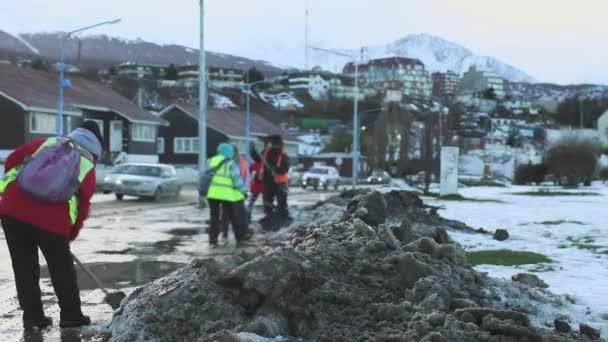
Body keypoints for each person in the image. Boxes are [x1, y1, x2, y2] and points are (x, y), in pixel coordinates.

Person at [0, 121, 103, 329]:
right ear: (97, 145)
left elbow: (11, 159)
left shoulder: (48, 143)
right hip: (52, 223)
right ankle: (71, 317)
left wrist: (22, 181)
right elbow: (82, 208)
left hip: (12, 211)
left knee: (24, 267)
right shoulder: (86, 165)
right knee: (61, 268)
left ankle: (33, 318)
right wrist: (70, 234)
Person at [207, 143, 250, 247]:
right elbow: (237, 181)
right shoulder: (231, 164)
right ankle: (240, 239)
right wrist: (244, 191)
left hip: (212, 195)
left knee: (214, 218)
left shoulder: (210, 161)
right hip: (226, 195)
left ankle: (213, 241)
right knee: (234, 217)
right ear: (229, 152)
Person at [258, 135, 290, 230]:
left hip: (280, 182)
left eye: (276, 144)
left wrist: (275, 169)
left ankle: (282, 217)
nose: (274, 145)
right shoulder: (265, 153)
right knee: (267, 200)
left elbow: (285, 169)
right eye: (273, 143)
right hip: (268, 181)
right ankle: (269, 216)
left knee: (282, 201)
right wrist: (252, 151)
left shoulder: (283, 155)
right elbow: (258, 159)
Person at [220, 145, 248, 241]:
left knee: (236, 214)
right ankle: (227, 232)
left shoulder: (237, 162)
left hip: (235, 192)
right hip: (231, 192)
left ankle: (240, 234)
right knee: (228, 213)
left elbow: (240, 177)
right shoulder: (235, 162)